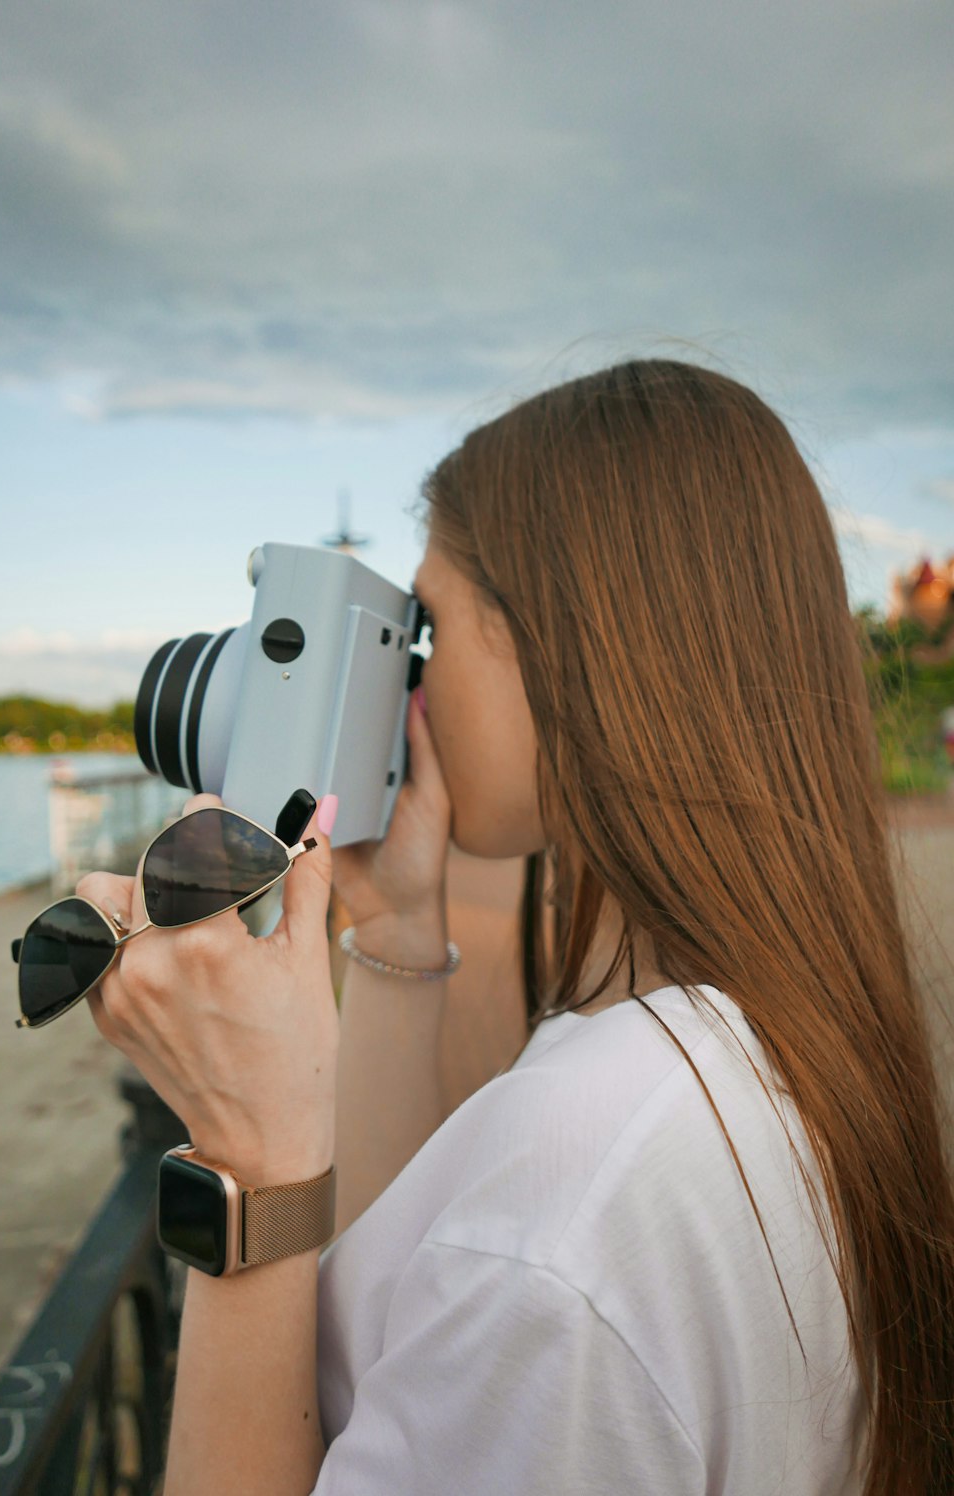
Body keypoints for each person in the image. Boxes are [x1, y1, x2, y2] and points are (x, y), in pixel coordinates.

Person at [82, 359, 954, 1494]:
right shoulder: (758, 1046)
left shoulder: (571, 1207)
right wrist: (396, 924)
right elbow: (378, 1290)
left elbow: (496, 1263)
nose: (413, 695)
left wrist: (243, 1152)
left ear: (573, 651)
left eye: (432, 630)